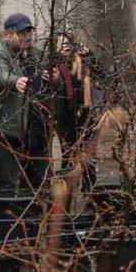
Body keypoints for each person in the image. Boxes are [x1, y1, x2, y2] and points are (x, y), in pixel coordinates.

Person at [0, 13, 49, 191]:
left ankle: (34, 217)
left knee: (39, 184)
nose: (26, 37)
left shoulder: (35, 55)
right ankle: (4, 216)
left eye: (28, 32)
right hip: (5, 130)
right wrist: (14, 81)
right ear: (7, 35)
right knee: (5, 184)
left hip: (33, 130)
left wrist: (55, 78)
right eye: (21, 33)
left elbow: (50, 77)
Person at [52, 32, 100, 189]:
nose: (64, 48)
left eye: (67, 44)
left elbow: (101, 73)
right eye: (60, 45)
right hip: (64, 118)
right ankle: (67, 194)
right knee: (68, 156)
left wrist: (90, 55)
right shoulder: (53, 66)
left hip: (84, 116)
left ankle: (89, 193)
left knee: (88, 156)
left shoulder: (79, 62)